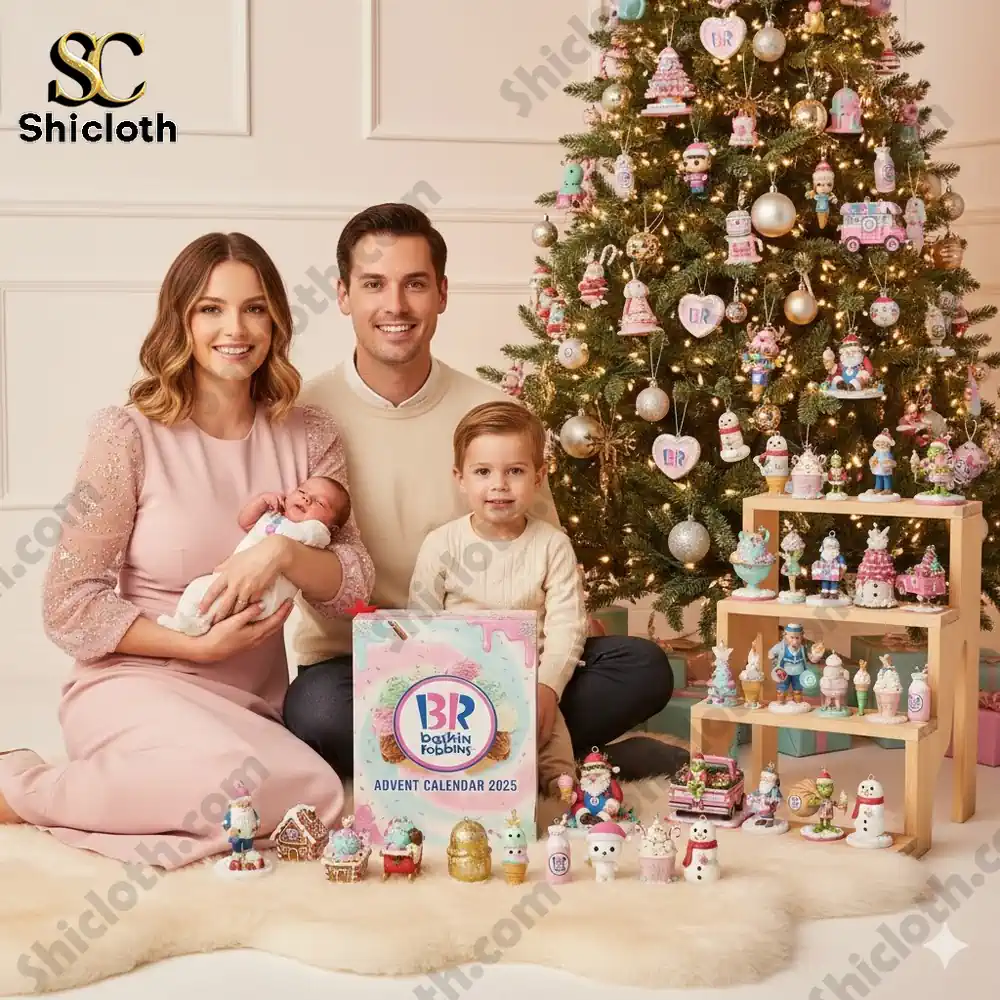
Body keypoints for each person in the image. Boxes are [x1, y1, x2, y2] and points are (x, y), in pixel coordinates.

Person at [0, 233, 374, 869]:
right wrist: (195, 646)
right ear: (181, 320)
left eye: (254, 308)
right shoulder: (126, 435)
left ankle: (127, 798)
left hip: (248, 702)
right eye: (211, 309)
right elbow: (70, 606)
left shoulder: (309, 434)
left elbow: (354, 584)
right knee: (233, 789)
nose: (236, 328)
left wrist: (280, 557)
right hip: (134, 681)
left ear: (277, 319)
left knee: (316, 794)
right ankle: (23, 786)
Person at [284, 203, 680, 781]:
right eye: (374, 285)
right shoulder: (304, 417)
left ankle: (490, 758)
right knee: (318, 714)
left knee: (643, 666)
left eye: (415, 284)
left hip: (501, 662)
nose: (395, 306)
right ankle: (546, 759)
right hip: (360, 663)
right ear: (344, 294)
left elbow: (542, 547)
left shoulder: (494, 414)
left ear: (442, 293)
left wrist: (550, 669)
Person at [409, 400, 578, 797]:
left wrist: (547, 687)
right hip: (457, 676)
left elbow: (567, 625)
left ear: (539, 477)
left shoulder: (551, 545)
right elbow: (421, 619)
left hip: (527, 674)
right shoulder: (442, 544)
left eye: (515, 471)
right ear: (461, 478)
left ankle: (558, 780)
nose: (499, 485)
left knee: (549, 727)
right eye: (483, 472)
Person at [158, 475, 352, 636]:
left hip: (264, 594)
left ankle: (198, 625)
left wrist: (320, 528)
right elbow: (245, 522)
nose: (306, 499)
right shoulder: (274, 518)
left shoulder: (314, 533)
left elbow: (318, 535)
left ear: (331, 527)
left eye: (320, 502)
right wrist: (260, 504)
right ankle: (185, 622)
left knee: (218, 602)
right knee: (196, 590)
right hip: (232, 579)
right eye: (302, 491)